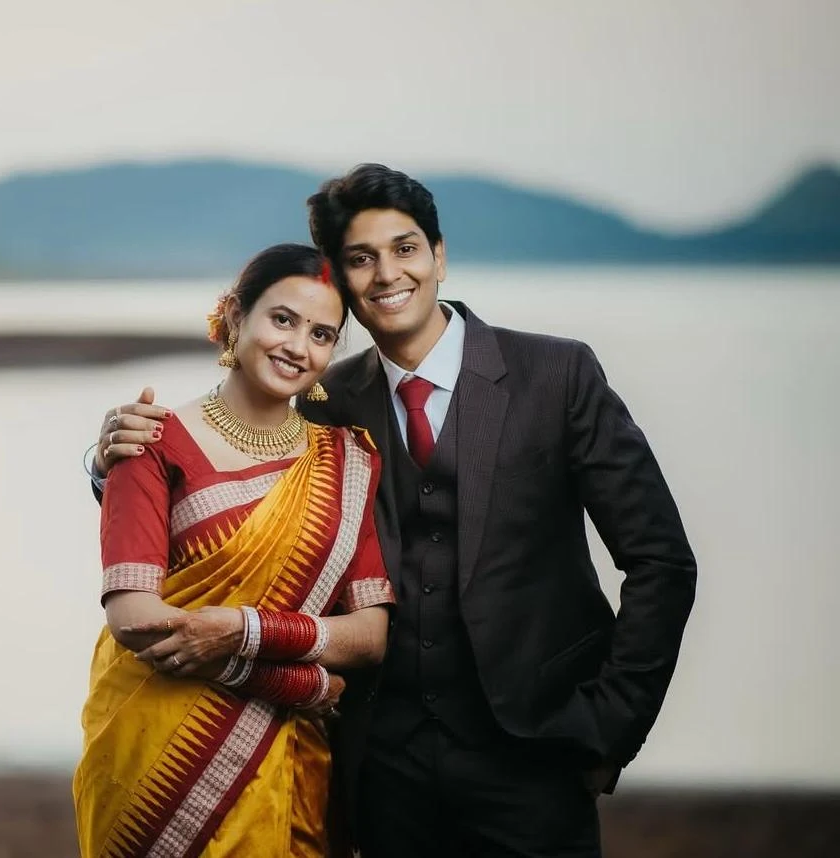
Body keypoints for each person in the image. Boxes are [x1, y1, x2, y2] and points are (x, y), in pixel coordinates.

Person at [93, 165, 697, 857]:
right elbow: (226, 475)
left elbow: (661, 562)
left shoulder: (556, 376)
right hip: (381, 770)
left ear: (438, 255)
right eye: (361, 259)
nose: (387, 274)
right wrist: (108, 460)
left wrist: (608, 726)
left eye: (405, 249)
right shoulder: (326, 399)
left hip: (536, 757)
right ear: (342, 282)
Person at [74, 243, 395, 858]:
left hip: (289, 761)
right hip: (155, 758)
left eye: (322, 334)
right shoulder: (149, 442)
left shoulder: (348, 462)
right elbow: (134, 619)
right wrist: (297, 684)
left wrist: (242, 631)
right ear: (235, 316)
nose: (298, 346)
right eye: (283, 319)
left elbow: (369, 635)